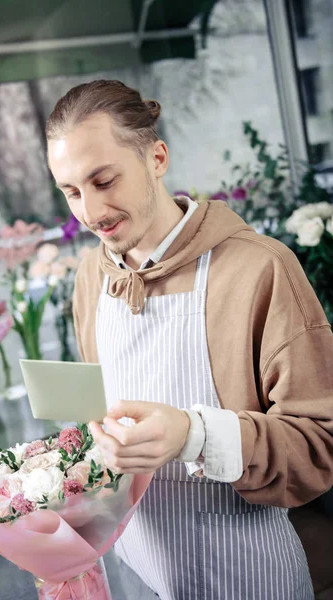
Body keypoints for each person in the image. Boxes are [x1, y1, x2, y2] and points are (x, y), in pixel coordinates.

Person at [46, 79, 333, 600]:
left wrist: (194, 436)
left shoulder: (260, 269)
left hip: (251, 578)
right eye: (70, 192)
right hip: (140, 574)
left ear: (157, 157)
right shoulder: (91, 275)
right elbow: (102, 419)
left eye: (104, 180)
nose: (90, 212)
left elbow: (320, 449)